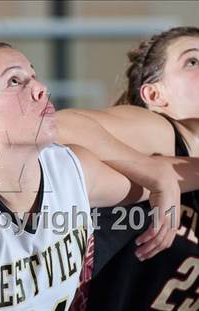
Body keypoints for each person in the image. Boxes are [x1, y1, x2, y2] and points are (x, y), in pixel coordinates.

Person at [0, 42, 199, 311]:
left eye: (34, 76)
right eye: (15, 81)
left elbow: (170, 177)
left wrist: (158, 175)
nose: (41, 88)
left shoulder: (69, 171)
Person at [76, 26, 199, 311]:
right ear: (154, 95)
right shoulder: (162, 133)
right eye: (192, 61)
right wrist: (153, 171)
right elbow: (56, 127)